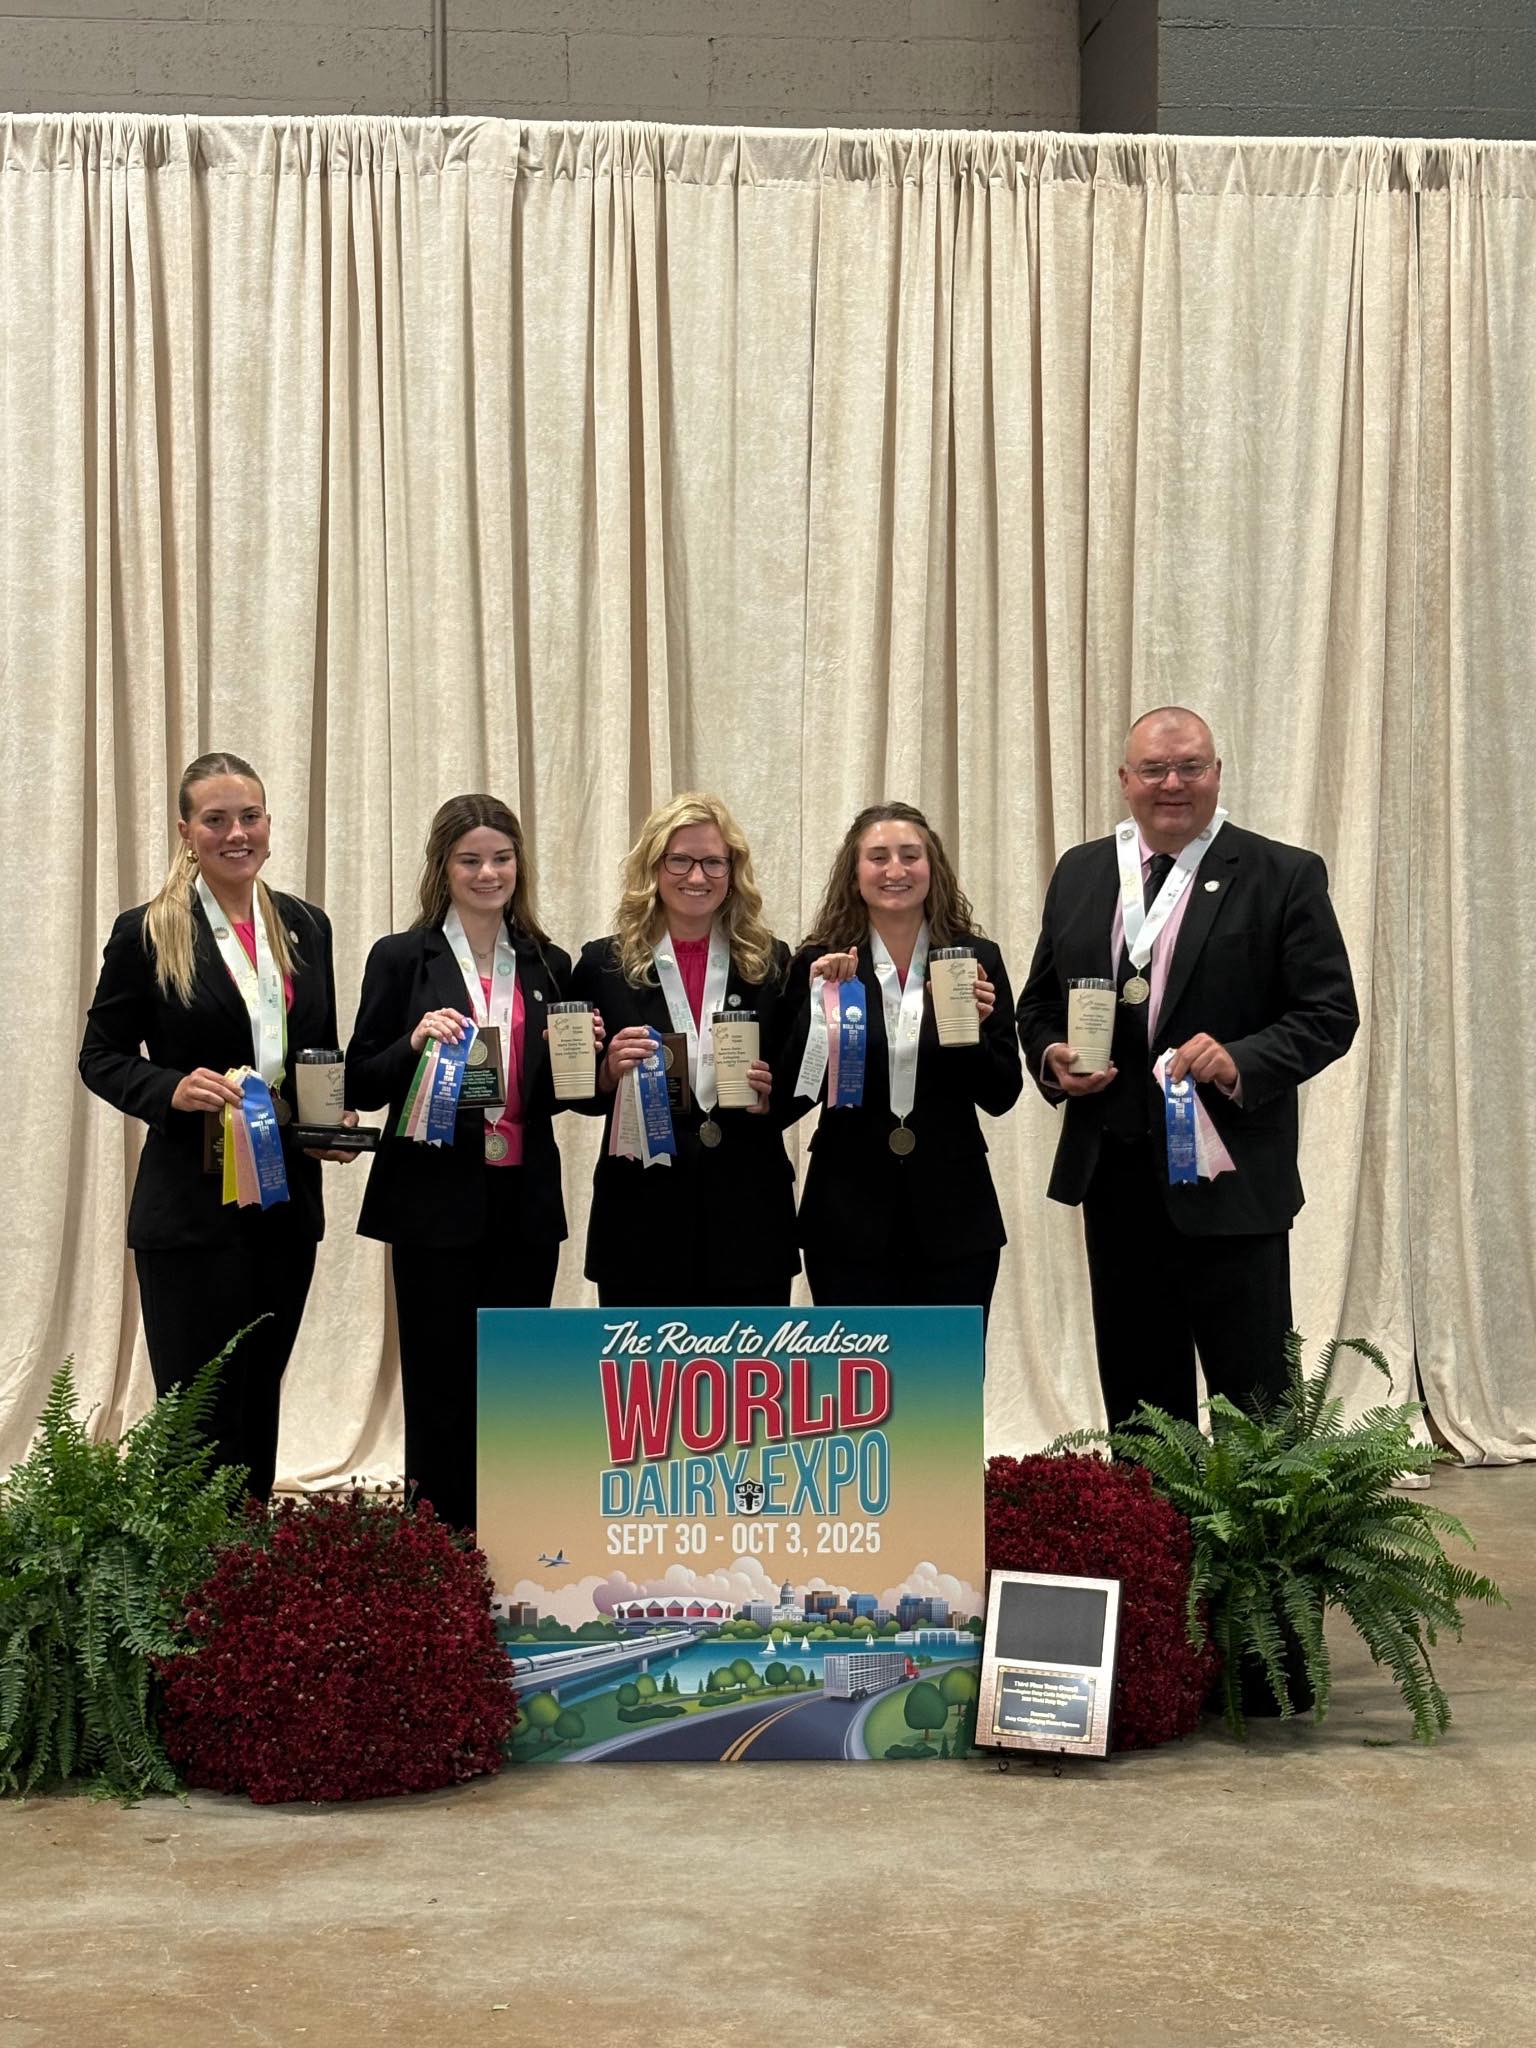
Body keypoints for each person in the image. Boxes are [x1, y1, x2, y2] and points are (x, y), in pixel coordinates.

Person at [1015, 705, 1359, 1430]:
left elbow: (1330, 1014)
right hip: (1115, 1178)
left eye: (1190, 767)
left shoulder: (1282, 873)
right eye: (1154, 769)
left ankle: (1253, 1546)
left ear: (1217, 773)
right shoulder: (1081, 872)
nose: (1173, 783)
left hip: (1229, 1177)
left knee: (1255, 1396)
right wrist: (1052, 1056)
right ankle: (1154, 1542)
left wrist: (1241, 1058)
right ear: (1124, 780)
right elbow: (1038, 1003)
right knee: (1141, 1406)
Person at [78, 751, 355, 1501]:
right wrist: (171, 1087)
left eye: (251, 816)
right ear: (186, 831)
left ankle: (243, 1585)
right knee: (196, 1411)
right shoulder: (146, 932)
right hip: (188, 1212)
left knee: (258, 1394)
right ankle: (186, 1585)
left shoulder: (306, 925)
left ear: (269, 823)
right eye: (217, 819)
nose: (238, 832)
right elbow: (99, 1058)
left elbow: (314, 1052)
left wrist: (330, 1121)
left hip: (285, 1203)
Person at [346, 794, 579, 1535]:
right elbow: (358, 1080)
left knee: (515, 1385)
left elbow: (569, 1096)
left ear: (520, 865)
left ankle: (513, 1549)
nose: (489, 873)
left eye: (502, 858)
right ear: (443, 868)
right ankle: (437, 1550)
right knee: (440, 1383)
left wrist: (585, 1051)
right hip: (431, 1206)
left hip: (525, 1203)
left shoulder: (550, 962)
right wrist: (413, 1042)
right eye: (471, 859)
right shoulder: (400, 958)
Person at [775, 802, 1022, 1330]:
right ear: (854, 872)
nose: (895, 870)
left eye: (911, 856)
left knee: (944, 1394)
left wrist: (970, 1031)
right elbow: (792, 1099)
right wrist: (817, 1010)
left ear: (932, 868)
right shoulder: (820, 961)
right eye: (878, 857)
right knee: (855, 1394)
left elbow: (1002, 1094)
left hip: (956, 1213)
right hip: (845, 1214)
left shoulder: (975, 957)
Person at [569, 793, 799, 1307]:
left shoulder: (771, 962)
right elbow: (577, 1094)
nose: (697, 877)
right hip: (640, 1217)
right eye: (680, 860)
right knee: (645, 1386)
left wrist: (771, 1097)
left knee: (746, 1381)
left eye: (714, 861)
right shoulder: (601, 964)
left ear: (732, 871)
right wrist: (606, 1074)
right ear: (654, 866)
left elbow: (799, 1084)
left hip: (749, 1214)